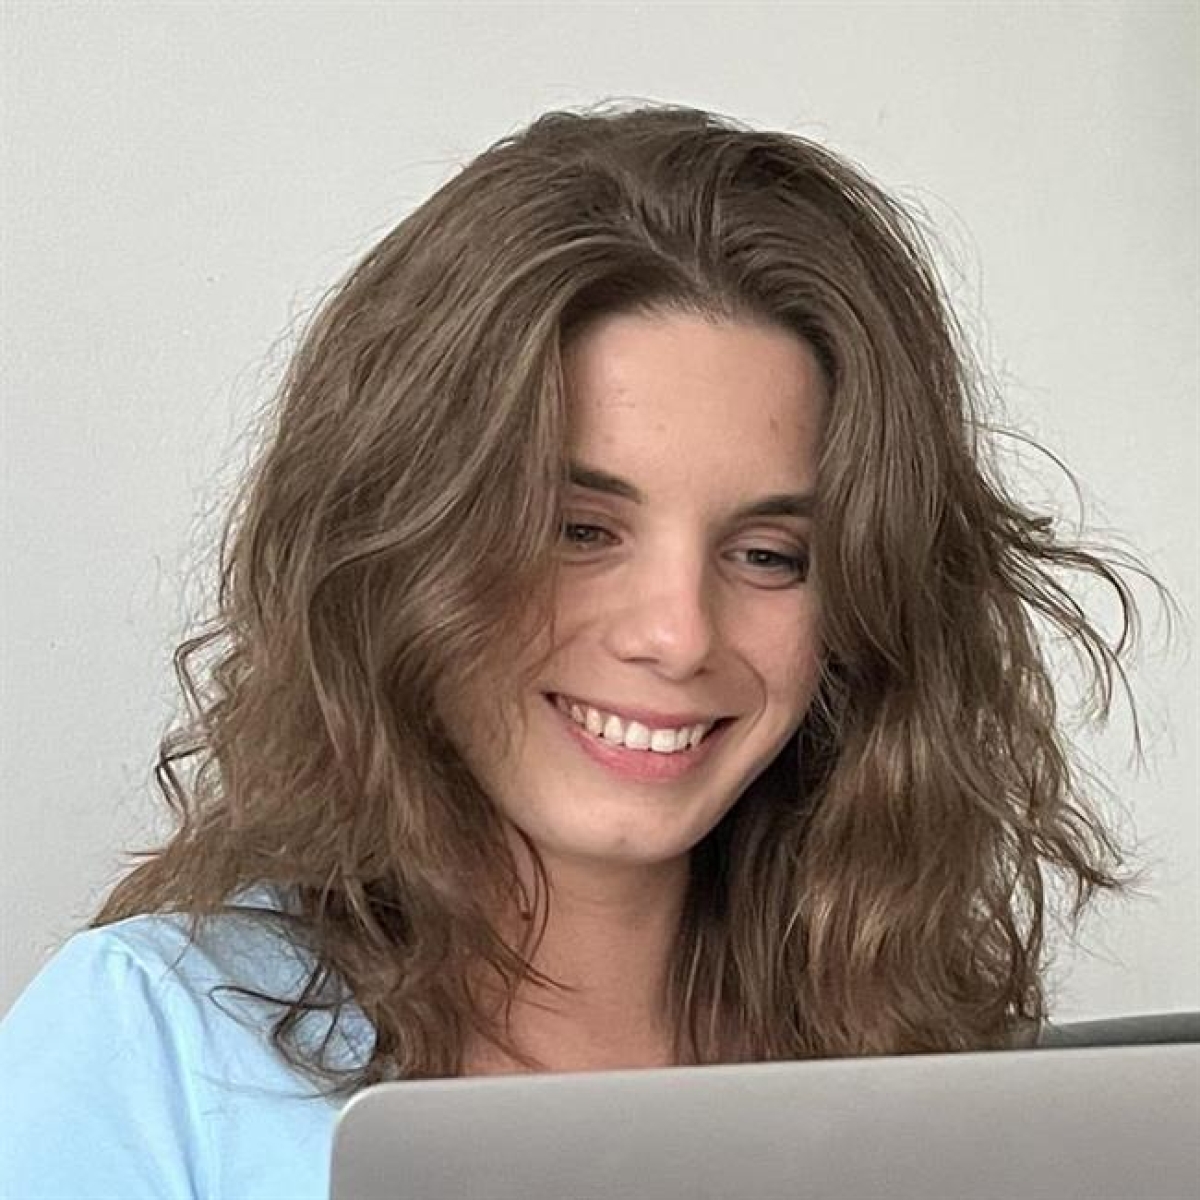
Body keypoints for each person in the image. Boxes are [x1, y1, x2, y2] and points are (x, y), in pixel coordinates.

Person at [0, 102, 1152, 1199]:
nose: (677, 635)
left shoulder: (924, 1065)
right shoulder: (153, 1046)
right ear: (402, 541)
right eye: (579, 531)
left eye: (769, 555)